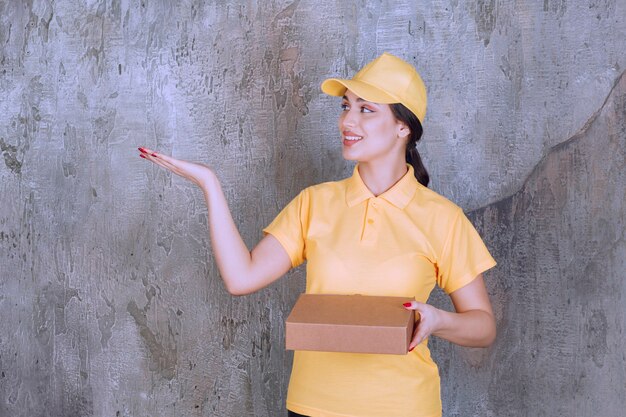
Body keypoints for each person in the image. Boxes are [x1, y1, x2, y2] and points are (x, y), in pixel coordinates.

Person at [138, 52, 496, 417]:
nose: (347, 121)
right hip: (311, 405)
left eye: (366, 110)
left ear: (403, 127)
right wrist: (210, 185)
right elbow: (240, 277)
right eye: (345, 107)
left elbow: (482, 326)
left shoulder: (442, 218)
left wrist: (438, 321)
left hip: (403, 407)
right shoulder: (315, 203)